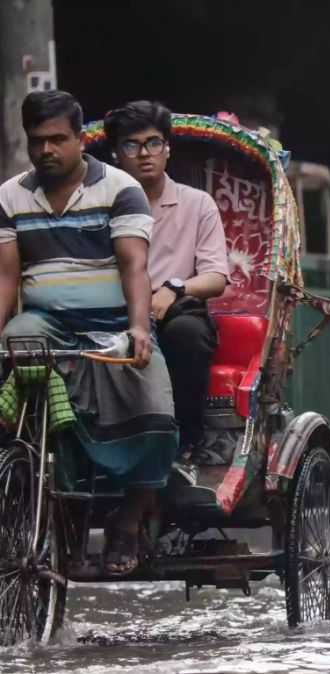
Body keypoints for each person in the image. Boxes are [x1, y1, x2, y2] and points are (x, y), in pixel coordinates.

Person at [0, 91, 177, 575]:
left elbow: (134, 265)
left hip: (113, 326)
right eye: (37, 142)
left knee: (156, 406)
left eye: (58, 139)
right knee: (19, 338)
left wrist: (139, 328)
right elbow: (6, 277)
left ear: (81, 140)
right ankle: (41, 497)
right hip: (49, 324)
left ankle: (129, 520)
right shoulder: (11, 194)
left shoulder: (121, 188)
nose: (47, 151)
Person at [104, 101, 229, 470]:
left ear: (167, 148)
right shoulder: (104, 205)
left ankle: (186, 442)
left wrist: (173, 287)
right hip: (117, 308)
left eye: (153, 143)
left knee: (187, 332)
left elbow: (216, 276)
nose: (145, 154)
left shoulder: (197, 204)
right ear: (115, 155)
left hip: (176, 309)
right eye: (132, 145)